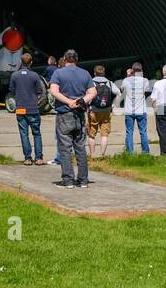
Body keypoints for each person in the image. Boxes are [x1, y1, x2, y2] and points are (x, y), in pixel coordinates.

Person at [50, 49, 95, 187]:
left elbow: (53, 91)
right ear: (76, 59)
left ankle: (68, 180)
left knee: (65, 148)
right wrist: (82, 100)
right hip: (80, 115)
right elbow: (93, 92)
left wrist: (69, 102)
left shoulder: (58, 73)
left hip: (64, 114)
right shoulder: (85, 73)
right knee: (80, 148)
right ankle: (83, 180)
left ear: (65, 58)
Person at [8, 53, 46, 165]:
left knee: (24, 133)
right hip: (33, 108)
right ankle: (39, 158)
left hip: (20, 108)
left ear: (21, 61)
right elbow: (40, 91)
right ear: (31, 62)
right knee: (37, 133)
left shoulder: (14, 75)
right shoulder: (35, 76)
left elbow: (12, 90)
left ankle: (27, 158)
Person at [88, 66, 120, 158]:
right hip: (106, 110)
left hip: (93, 110)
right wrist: (113, 105)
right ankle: (102, 155)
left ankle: (92, 155)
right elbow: (118, 93)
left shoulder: (91, 83)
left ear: (94, 73)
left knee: (91, 134)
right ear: (104, 73)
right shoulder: (109, 83)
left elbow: (87, 95)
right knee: (104, 134)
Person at [121, 63, 151, 154]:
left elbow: (122, 90)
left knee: (129, 132)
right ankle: (145, 151)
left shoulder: (126, 80)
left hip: (129, 111)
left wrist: (128, 76)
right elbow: (147, 90)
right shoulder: (145, 80)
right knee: (143, 131)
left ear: (132, 70)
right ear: (141, 70)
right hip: (141, 111)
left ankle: (130, 151)